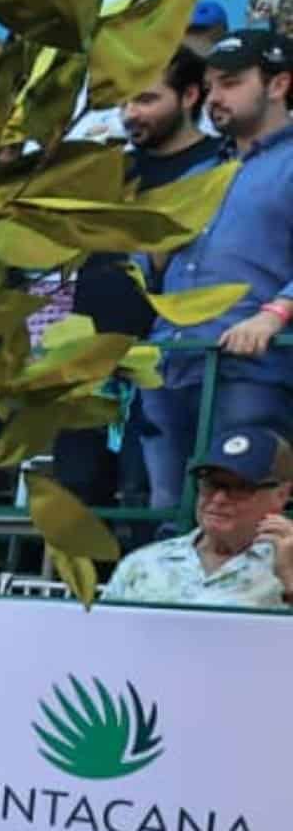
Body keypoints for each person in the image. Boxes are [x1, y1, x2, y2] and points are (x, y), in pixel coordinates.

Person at [138, 30, 293, 514]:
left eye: (230, 83)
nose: (214, 98)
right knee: (167, 511)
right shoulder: (197, 174)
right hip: (171, 364)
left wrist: (272, 316)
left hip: (254, 368)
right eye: (210, 85)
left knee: (242, 513)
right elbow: (148, 263)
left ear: (279, 84)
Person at [66, 48, 224, 511]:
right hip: (86, 363)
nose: (130, 113)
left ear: (191, 95)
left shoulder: (219, 168)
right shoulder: (111, 169)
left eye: (146, 99)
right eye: (124, 102)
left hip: (167, 369)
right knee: (75, 497)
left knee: (149, 503)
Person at [103, 426, 293, 609]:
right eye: (210, 484)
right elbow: (100, 635)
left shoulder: (287, 562)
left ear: (281, 495)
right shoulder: (143, 562)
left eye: (240, 487)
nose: (218, 499)